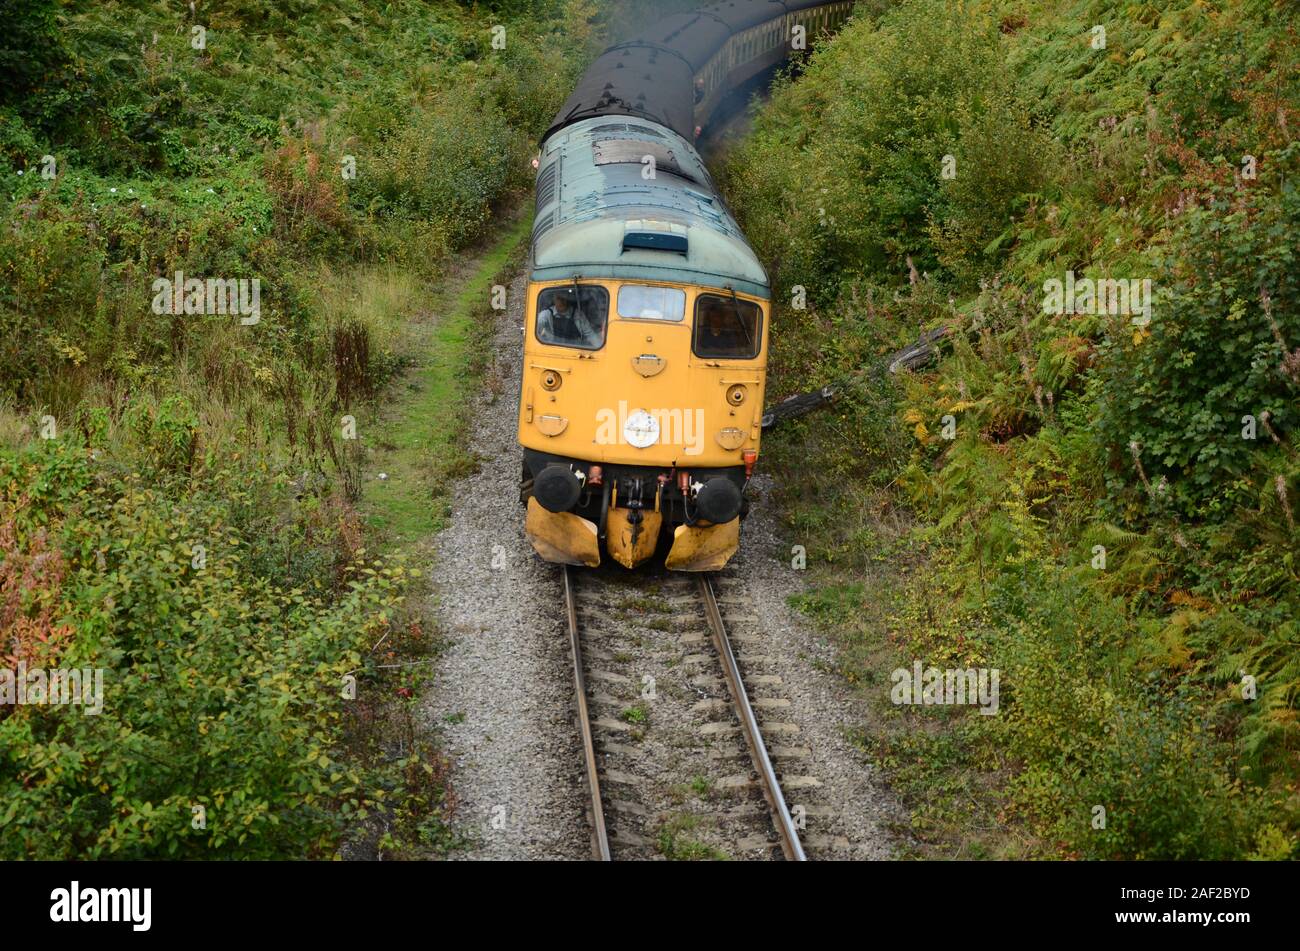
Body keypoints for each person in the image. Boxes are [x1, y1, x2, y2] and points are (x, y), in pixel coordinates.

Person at [538, 290, 602, 348]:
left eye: (564, 298)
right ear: (554, 300)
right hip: (554, 349)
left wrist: (600, 347)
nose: (562, 301)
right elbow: (534, 329)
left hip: (575, 349)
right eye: (558, 298)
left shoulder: (578, 314)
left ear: (568, 299)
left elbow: (590, 334)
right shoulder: (546, 315)